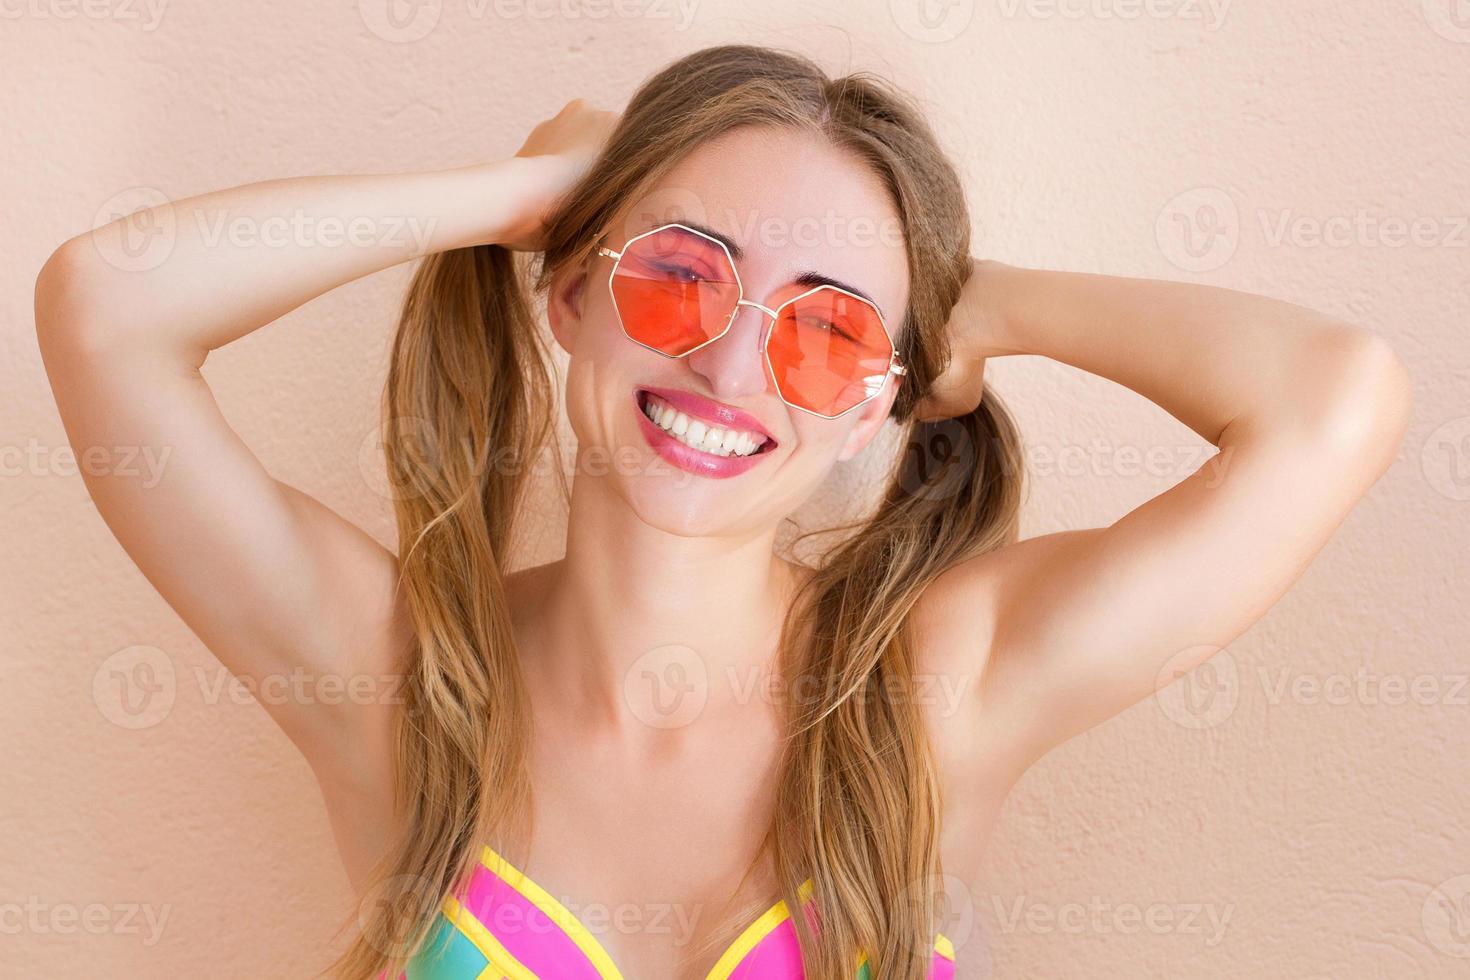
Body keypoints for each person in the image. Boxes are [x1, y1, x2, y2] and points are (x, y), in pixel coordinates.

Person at [34, 43, 1411, 980]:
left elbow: (1332, 400)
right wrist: (532, 199)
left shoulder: (936, 687)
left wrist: (971, 312)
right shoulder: (395, 677)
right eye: (679, 274)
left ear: (878, 396)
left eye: (823, 332)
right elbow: (107, 304)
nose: (733, 363)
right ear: (569, 296)